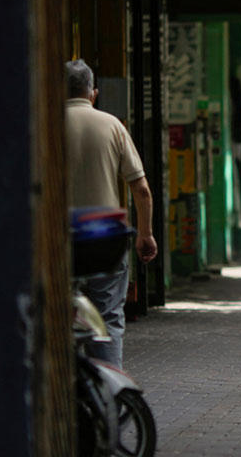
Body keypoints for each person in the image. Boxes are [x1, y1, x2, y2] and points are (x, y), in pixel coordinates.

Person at [65, 59, 158, 369]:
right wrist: (145, 234)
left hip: (58, 237)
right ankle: (108, 386)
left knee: (56, 313)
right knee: (107, 317)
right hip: (104, 236)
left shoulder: (43, 126)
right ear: (93, 93)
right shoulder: (112, 125)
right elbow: (141, 189)